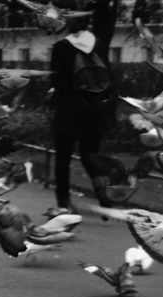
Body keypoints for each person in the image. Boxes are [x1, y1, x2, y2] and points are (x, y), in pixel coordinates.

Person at [48, 15, 115, 212]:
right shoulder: (99, 45)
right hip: (95, 109)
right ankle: (102, 191)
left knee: (63, 157)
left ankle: (63, 202)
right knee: (91, 153)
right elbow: (108, 75)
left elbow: (57, 81)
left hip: (69, 109)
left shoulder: (61, 47)